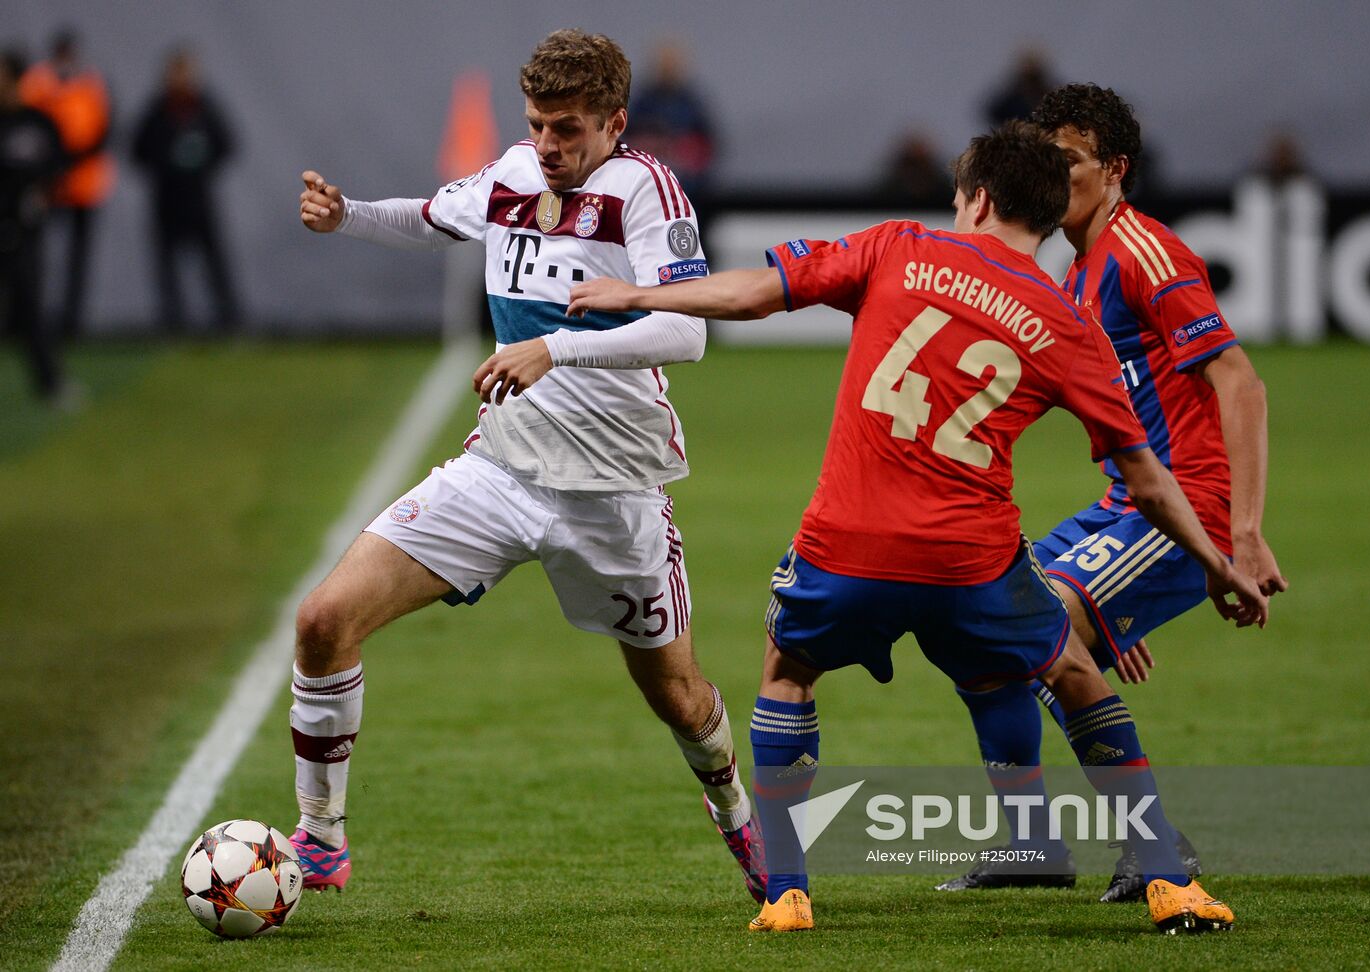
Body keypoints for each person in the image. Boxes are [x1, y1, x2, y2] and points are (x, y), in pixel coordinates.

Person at [566, 121, 1266, 935]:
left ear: (977, 198)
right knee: (1072, 673)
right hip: (971, 562)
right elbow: (1147, 479)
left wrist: (639, 296)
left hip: (846, 545)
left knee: (788, 671)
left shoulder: (899, 246)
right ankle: (1167, 882)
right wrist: (1218, 561)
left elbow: (755, 293)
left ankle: (788, 895)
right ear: (1043, 217)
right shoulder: (1067, 323)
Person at [288, 29, 764, 904]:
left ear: (616, 122)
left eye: (568, 129)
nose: (548, 146)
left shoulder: (643, 191)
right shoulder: (512, 174)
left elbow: (687, 330)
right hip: (502, 471)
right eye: (539, 125)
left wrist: (556, 347)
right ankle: (319, 837)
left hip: (615, 492)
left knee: (680, 697)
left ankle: (739, 813)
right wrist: (347, 213)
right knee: (323, 621)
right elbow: (432, 218)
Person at [940, 83, 1288, 903]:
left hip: (1187, 505)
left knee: (1047, 625)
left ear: (1117, 169)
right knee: (979, 626)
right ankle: (1033, 844)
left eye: (1072, 161)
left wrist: (1242, 531)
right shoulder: (1082, 269)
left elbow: (1240, 384)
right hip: (1128, 509)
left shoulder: (1145, 253)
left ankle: (1156, 846)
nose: (1057, 176)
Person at [132, 46, 240, 332]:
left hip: (199, 199)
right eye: (176, 72)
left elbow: (227, 144)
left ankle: (230, 323)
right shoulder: (158, 109)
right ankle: (173, 324)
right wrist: (166, 165)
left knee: (215, 264)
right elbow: (137, 150)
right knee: (167, 267)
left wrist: (200, 166)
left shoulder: (204, 107)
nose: (181, 78)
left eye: (186, 72)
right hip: (168, 200)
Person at [19, 29, 113, 337]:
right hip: (48, 183)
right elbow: (29, 126)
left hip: (83, 183)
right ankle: (32, 319)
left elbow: (104, 129)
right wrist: (53, 164)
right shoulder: (38, 83)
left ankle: (73, 321)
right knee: (34, 256)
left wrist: (72, 159)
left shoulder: (91, 82)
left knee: (77, 258)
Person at [0, 49, 70, 404]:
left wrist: (43, 193)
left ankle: (50, 383)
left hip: (25, 231)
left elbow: (59, 165)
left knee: (30, 305)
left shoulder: (37, 122)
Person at [625, 41, 716, 208]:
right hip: (647, 185)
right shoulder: (642, 103)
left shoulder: (691, 105)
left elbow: (707, 144)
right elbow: (628, 140)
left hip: (688, 188)